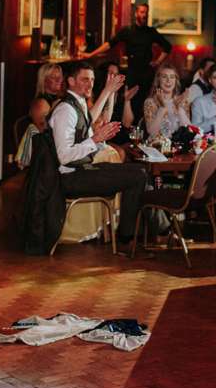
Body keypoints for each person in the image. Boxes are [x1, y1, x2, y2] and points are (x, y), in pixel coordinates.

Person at [50, 62, 147, 250]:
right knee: (138, 176)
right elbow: (64, 156)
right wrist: (95, 139)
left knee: (139, 171)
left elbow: (89, 123)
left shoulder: (77, 104)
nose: (90, 84)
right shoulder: (65, 110)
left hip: (81, 170)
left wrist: (107, 93)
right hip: (69, 177)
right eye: (85, 79)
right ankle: (126, 238)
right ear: (71, 81)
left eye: (92, 80)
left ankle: (128, 234)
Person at [84, 4, 171, 94]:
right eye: (142, 12)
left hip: (146, 73)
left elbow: (167, 46)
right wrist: (91, 54)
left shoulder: (151, 31)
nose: (144, 15)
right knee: (129, 97)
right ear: (136, 14)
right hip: (131, 72)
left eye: (146, 12)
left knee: (145, 99)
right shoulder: (127, 30)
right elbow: (110, 44)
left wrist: (157, 62)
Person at [142, 65, 191, 138]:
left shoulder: (182, 101)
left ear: (176, 80)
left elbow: (189, 131)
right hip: (157, 144)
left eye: (172, 77)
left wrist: (179, 109)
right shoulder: (150, 102)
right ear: (158, 80)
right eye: (164, 77)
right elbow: (151, 132)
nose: (168, 80)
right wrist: (162, 108)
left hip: (179, 143)